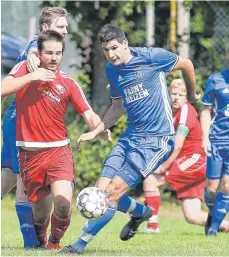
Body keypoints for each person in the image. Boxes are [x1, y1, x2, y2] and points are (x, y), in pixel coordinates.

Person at [59, 24, 199, 254]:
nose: (111, 54)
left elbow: (187, 64)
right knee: (100, 189)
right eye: (106, 50)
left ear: (125, 44)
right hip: (130, 136)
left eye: (114, 48)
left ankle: (78, 245)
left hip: (156, 139)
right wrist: (95, 131)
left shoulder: (152, 57)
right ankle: (139, 212)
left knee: (112, 193)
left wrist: (192, 95)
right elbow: (116, 108)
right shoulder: (112, 70)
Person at [1, 30, 110, 249]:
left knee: (62, 203)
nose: (53, 58)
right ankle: (40, 242)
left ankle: (55, 242)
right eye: (49, 53)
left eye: (58, 53)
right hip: (29, 154)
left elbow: (88, 113)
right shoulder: (24, 70)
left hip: (58, 152)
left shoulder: (67, 83)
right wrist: (32, 77)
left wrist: (98, 129)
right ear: (39, 53)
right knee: (40, 216)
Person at [1, 7, 69, 248]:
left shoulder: (43, 46)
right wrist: (32, 59)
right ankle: (32, 244)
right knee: (23, 181)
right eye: (60, 26)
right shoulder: (37, 46)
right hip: (22, 123)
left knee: (7, 177)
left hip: (14, 118)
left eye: (65, 26)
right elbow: (32, 52)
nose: (65, 30)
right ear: (44, 29)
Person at [142, 79, 229, 233]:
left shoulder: (187, 111)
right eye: (173, 93)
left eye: (181, 95)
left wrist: (163, 166)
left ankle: (152, 226)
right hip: (188, 163)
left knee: (151, 180)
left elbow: (178, 146)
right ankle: (224, 225)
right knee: (192, 216)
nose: (176, 97)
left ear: (187, 98)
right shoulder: (169, 112)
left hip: (195, 161)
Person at [200, 68, 229, 236]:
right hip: (217, 140)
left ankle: (213, 228)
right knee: (212, 189)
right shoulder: (215, 79)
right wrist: (205, 137)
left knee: (227, 186)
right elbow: (205, 110)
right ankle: (212, 211)